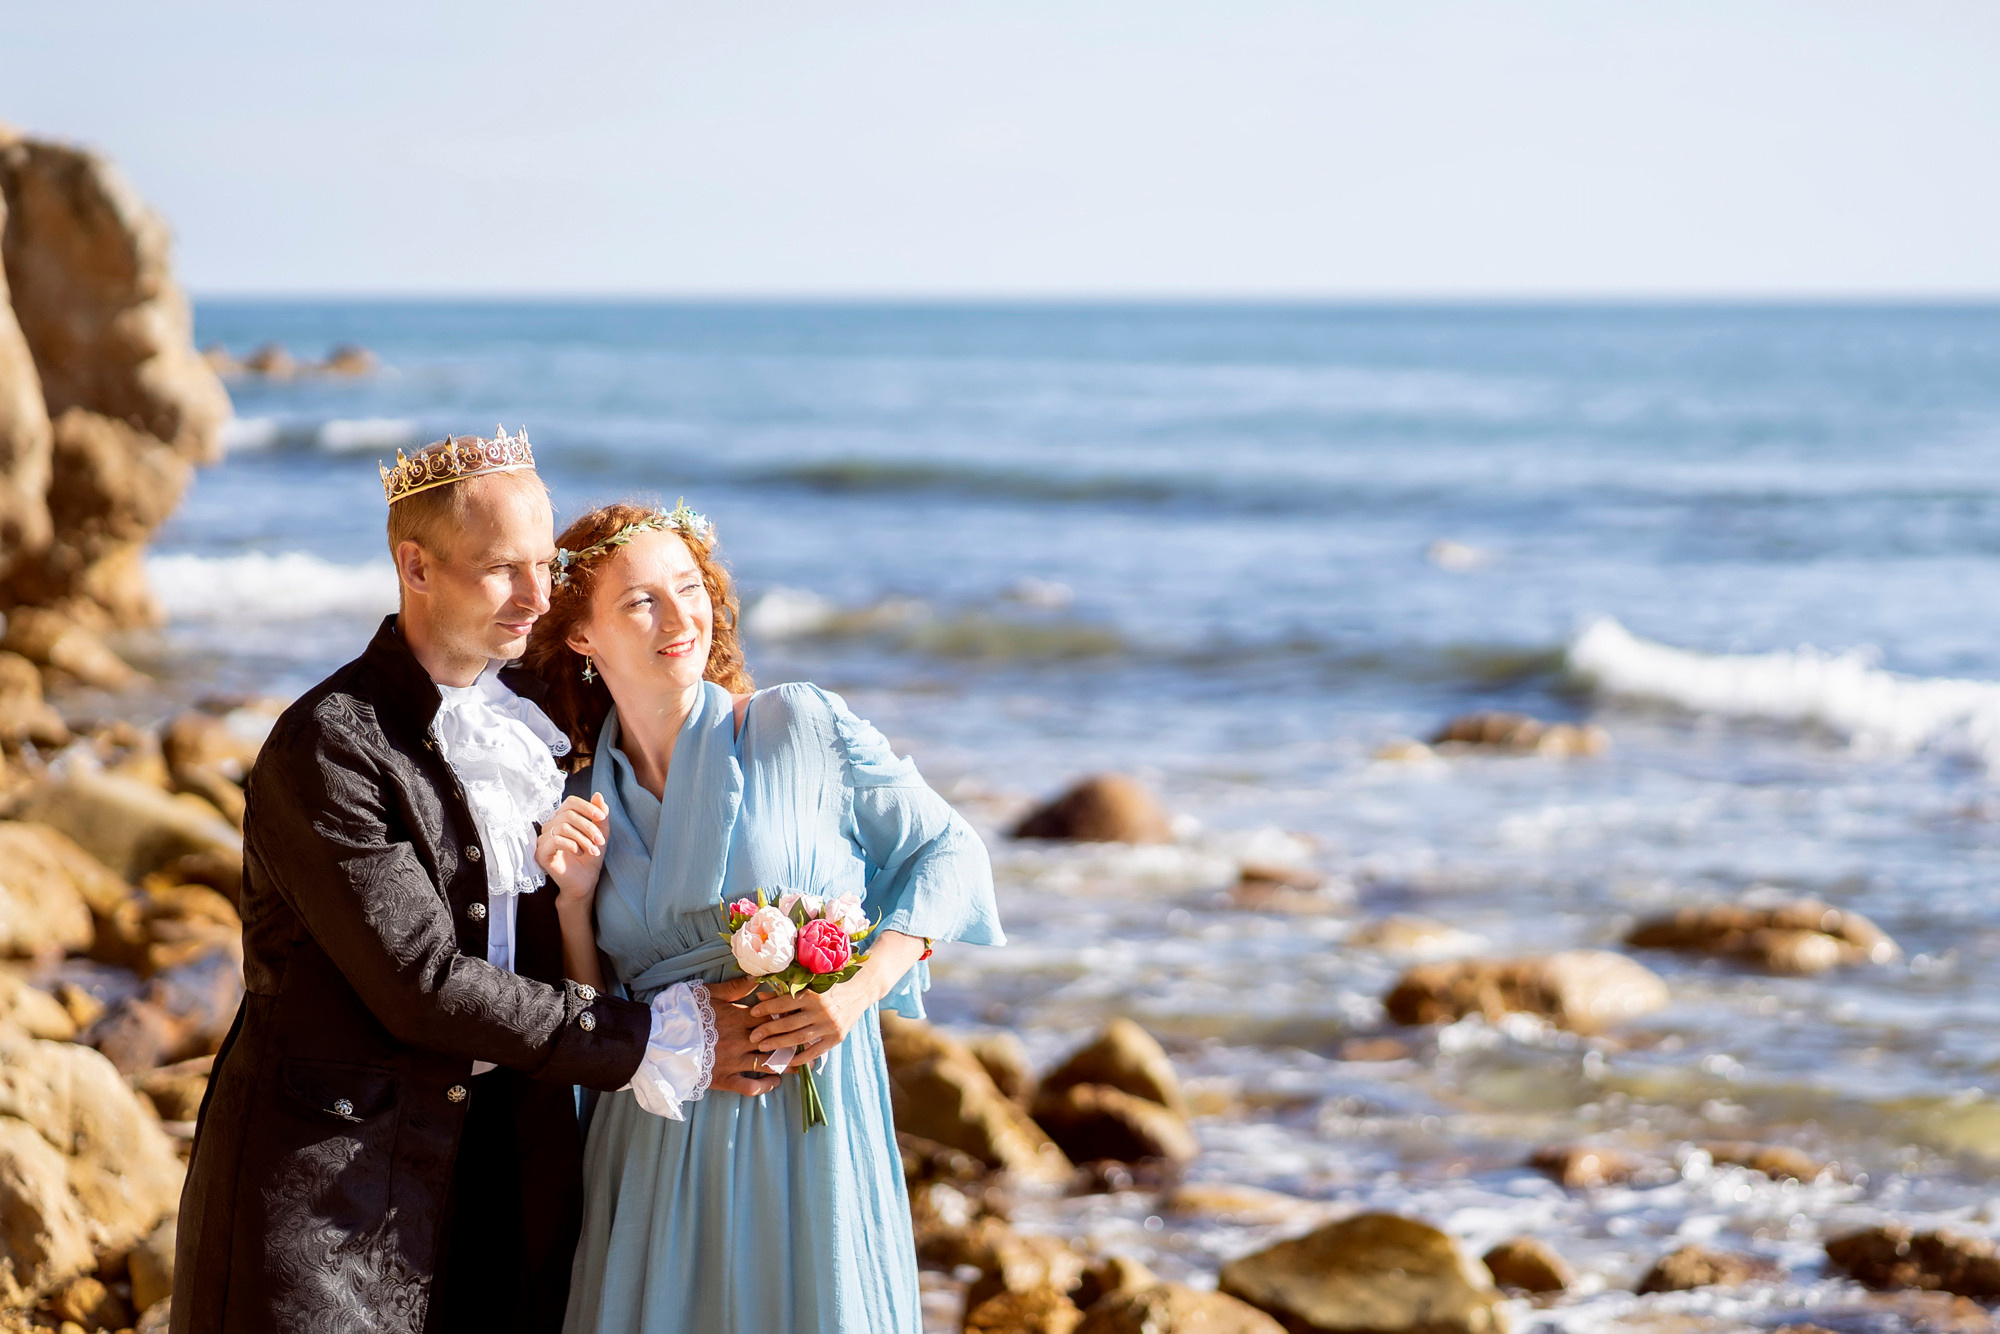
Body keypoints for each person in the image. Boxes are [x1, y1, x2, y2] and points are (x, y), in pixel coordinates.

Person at [171, 432, 777, 1334]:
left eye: (544, 566)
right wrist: (656, 1038)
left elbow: (667, 686)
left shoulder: (535, 719)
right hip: (332, 1189)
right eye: (502, 571)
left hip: (508, 1169)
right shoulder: (330, 747)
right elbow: (420, 986)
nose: (537, 597)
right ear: (415, 567)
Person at [517, 500, 1002, 1334]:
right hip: (656, 1144)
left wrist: (858, 992)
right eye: (641, 602)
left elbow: (952, 853)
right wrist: (570, 903)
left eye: (688, 587)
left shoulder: (797, 726)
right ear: (581, 636)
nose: (679, 617)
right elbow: (595, 1021)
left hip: (806, 1131)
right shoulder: (577, 800)